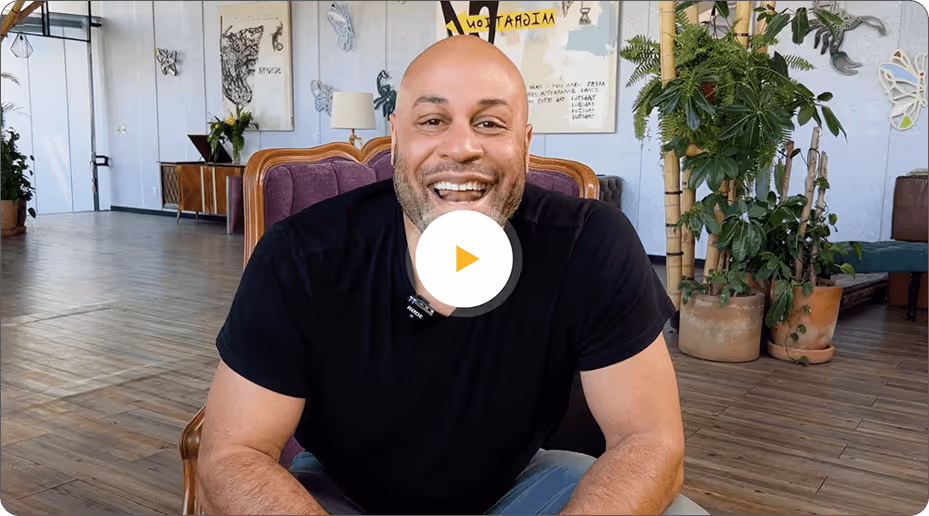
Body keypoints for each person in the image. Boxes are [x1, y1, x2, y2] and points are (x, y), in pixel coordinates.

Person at [198, 35, 693, 515]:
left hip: (516, 486)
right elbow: (232, 455)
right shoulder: (300, 257)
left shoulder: (590, 242)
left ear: (524, 143)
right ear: (395, 139)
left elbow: (649, 440)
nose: (461, 147)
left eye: (491, 123)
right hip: (339, 492)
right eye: (433, 120)